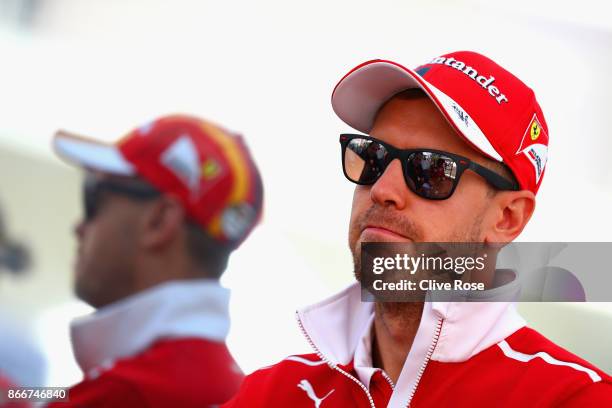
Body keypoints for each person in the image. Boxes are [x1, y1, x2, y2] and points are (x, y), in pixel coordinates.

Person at [224, 51, 612, 407]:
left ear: (507, 217)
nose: (382, 190)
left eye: (429, 170)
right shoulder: (269, 394)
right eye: (373, 157)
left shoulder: (576, 399)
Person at [48, 114, 263, 407]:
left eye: (93, 198)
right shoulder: (240, 390)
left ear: (160, 221)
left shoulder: (122, 394)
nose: (79, 227)